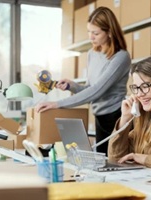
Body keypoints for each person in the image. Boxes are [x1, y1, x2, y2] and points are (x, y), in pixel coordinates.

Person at [35, 7, 131, 155]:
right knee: (103, 161)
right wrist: (72, 87)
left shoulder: (121, 57)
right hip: (99, 117)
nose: (91, 37)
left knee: (116, 161)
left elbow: (98, 90)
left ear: (110, 32)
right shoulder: (92, 53)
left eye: (96, 33)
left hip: (116, 117)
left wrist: (57, 104)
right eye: (89, 32)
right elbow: (90, 88)